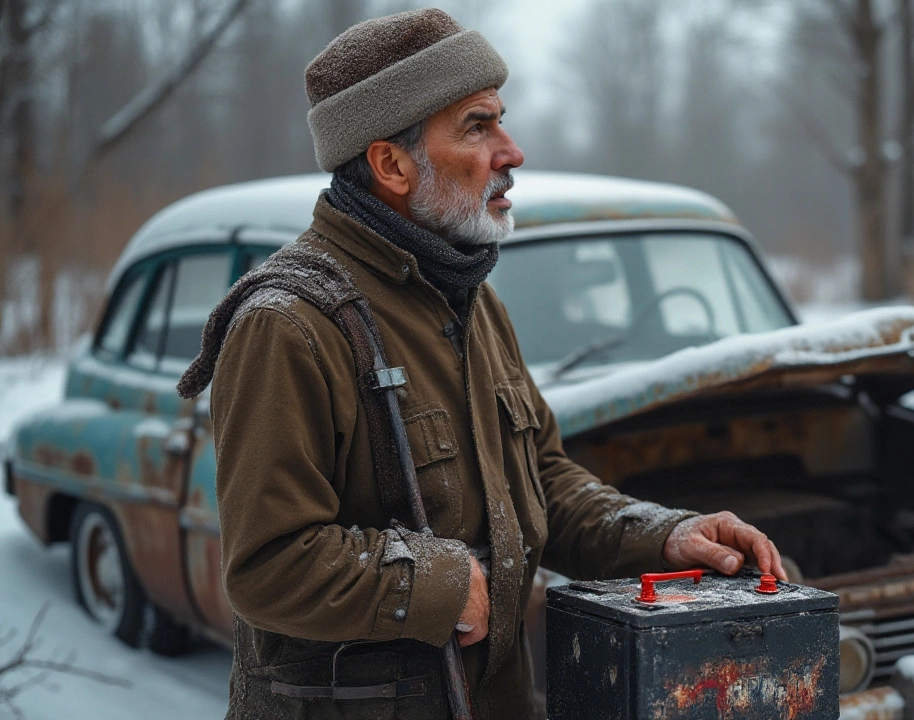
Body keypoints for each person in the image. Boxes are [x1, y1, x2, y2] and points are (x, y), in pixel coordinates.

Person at [178, 8, 787, 719]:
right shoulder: (290, 324)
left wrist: (662, 535)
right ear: (392, 165)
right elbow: (267, 565)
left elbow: (542, 482)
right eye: (478, 126)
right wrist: (435, 584)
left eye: (502, 120)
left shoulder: (468, 299)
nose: (512, 151)